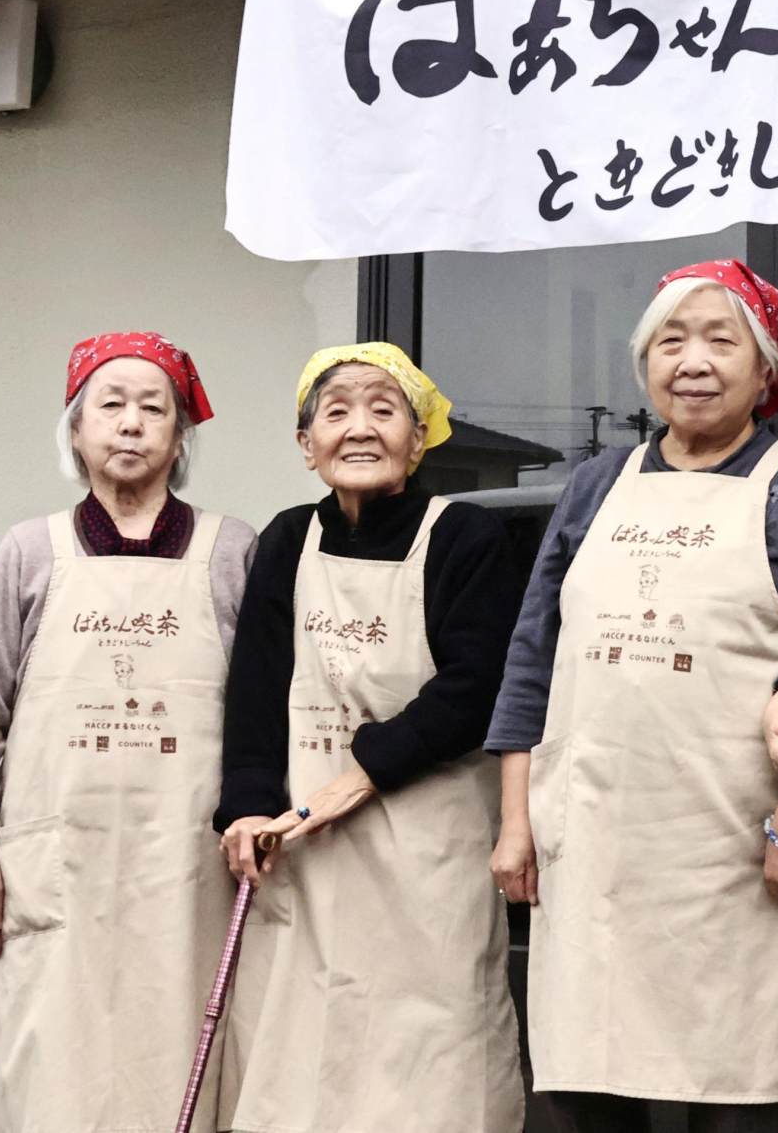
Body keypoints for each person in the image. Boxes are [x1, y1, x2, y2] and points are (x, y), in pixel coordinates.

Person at [486, 259, 778, 1133]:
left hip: (734, 851)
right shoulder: (597, 485)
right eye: (671, 341)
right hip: (594, 850)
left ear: (764, 373)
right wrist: (518, 821)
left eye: (720, 340)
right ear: (644, 367)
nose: (693, 361)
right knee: (586, 1088)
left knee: (734, 1089)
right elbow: (533, 658)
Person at [0, 331, 254, 1133]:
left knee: (186, 1058)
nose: (130, 423)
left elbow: (261, 708)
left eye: (153, 408)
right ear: (75, 430)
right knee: (52, 1065)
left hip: (188, 868)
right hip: (56, 864)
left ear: (180, 436)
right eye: (109, 406)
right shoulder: (29, 550)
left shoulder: (232, 551)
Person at [215, 342, 524, 1133]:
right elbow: (254, 688)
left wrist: (360, 775)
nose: (360, 428)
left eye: (385, 411)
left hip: (428, 847)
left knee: (430, 1042)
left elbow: (475, 685)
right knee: (305, 1044)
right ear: (305, 442)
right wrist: (248, 806)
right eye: (337, 411)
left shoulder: (466, 538)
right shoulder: (286, 540)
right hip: (304, 845)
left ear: (420, 440)